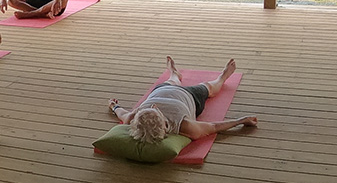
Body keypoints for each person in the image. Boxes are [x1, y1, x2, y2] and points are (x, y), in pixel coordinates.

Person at [107, 56, 257, 143]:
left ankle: (174, 73)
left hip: (161, 91)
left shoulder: (133, 117)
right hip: (188, 96)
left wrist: (114, 107)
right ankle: (222, 77)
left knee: (172, 81)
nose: (154, 107)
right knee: (209, 88)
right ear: (166, 124)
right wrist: (241, 121)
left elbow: (122, 114)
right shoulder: (184, 126)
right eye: (155, 110)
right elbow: (213, 126)